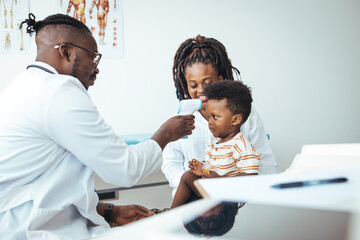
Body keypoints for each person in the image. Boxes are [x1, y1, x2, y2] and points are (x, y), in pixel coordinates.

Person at [0, 13, 195, 239]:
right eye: (93, 57)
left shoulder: (19, 88)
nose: (96, 68)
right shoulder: (59, 90)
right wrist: (166, 134)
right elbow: (125, 169)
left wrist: (109, 211)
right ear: (66, 52)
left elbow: (42, 186)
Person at [162, 35, 277, 198]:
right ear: (184, 83)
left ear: (220, 79)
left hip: (236, 197)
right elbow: (170, 163)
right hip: (192, 196)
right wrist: (195, 185)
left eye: (207, 83)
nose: (200, 90)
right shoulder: (180, 118)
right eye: (193, 85)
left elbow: (265, 161)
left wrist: (252, 192)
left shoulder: (244, 112)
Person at [171, 81, 259, 208]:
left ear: (235, 119)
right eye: (208, 116)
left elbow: (249, 178)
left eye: (215, 117)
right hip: (215, 191)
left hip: (230, 198)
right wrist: (202, 169)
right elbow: (212, 170)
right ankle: (172, 214)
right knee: (188, 175)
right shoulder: (215, 146)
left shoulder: (242, 146)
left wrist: (218, 179)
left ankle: (172, 216)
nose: (210, 122)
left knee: (188, 180)